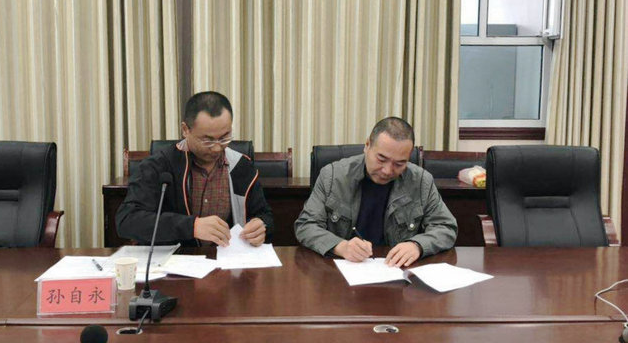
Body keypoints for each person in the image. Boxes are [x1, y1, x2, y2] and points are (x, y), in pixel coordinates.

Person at [116, 91, 273, 247]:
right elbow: (127, 221)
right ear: (185, 130)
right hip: (176, 258)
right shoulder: (159, 166)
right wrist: (192, 226)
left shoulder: (241, 166)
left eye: (224, 137)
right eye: (207, 140)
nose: (217, 148)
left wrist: (261, 225)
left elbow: (264, 214)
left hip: (226, 258)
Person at [295, 117, 457, 267]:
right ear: (367, 145)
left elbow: (445, 227)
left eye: (399, 164)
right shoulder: (333, 176)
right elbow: (306, 225)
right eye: (381, 159)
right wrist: (341, 246)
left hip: (395, 271)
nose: (387, 170)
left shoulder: (421, 181)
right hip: (340, 272)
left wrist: (417, 245)